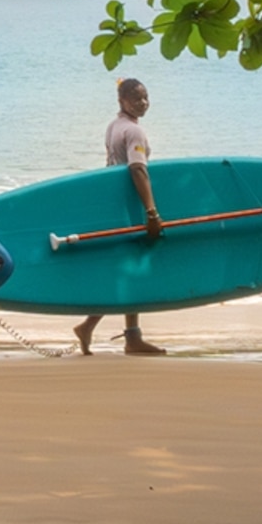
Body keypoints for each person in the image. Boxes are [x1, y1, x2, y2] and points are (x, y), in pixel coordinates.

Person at [75, 75, 169, 357]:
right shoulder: (134, 132)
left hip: (119, 208)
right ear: (122, 101)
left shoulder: (114, 127)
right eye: (136, 98)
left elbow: (109, 167)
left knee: (126, 271)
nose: (143, 103)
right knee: (130, 271)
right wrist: (152, 212)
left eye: (145, 97)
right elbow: (137, 169)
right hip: (131, 208)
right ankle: (119, 334)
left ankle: (125, 335)